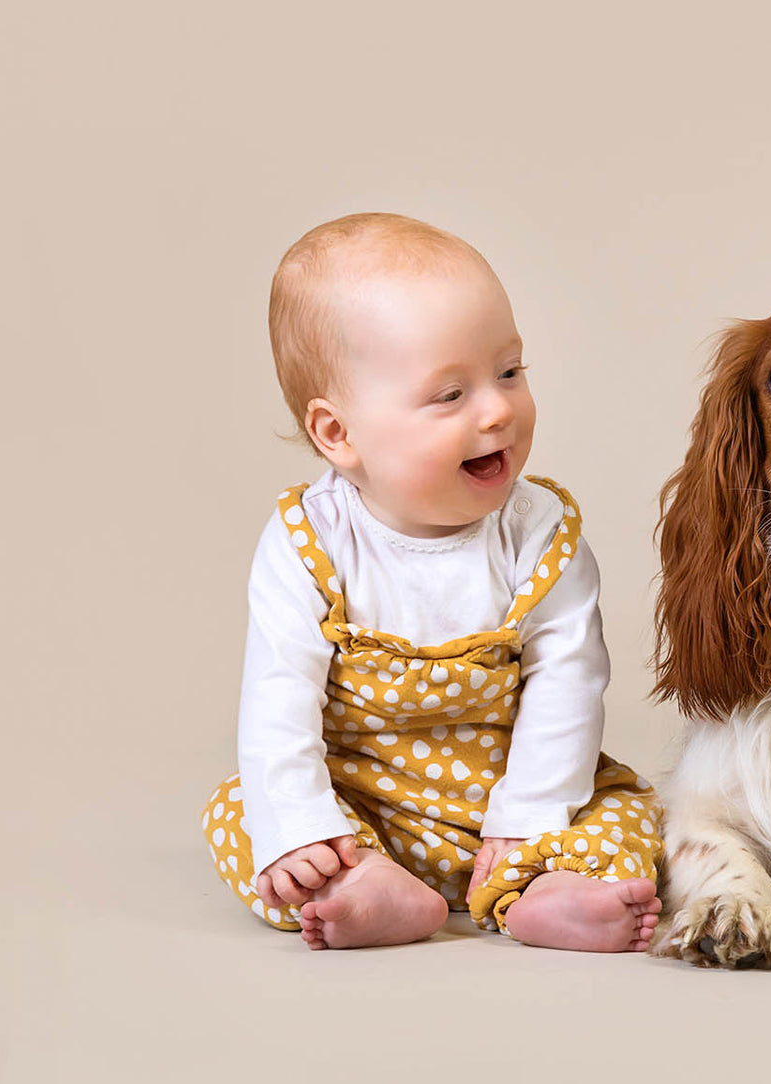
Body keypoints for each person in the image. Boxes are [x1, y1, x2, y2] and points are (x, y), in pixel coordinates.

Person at [201, 213, 663, 951]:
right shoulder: (310, 542)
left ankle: (543, 891)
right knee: (245, 814)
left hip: (513, 802)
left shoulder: (538, 533)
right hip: (365, 801)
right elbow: (277, 698)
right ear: (338, 434)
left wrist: (529, 817)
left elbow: (568, 680)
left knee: (627, 810)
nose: (497, 409)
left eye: (510, 372)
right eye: (450, 395)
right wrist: (302, 827)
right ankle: (365, 886)